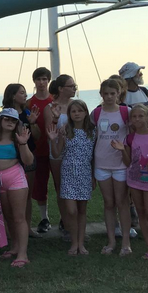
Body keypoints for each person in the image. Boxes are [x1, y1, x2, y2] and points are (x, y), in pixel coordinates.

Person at [112, 105, 148, 262]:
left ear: (147, 117)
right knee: (141, 215)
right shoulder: (130, 138)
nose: (137, 119)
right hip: (134, 180)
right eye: (134, 116)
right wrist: (122, 150)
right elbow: (128, 162)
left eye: (141, 116)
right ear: (130, 120)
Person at [0, 108, 34, 267]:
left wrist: (23, 143)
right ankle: (15, 246)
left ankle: (23, 254)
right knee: (8, 216)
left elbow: (28, 161)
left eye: (13, 120)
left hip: (15, 178)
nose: (10, 122)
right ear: (0, 120)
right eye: (7, 119)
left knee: (19, 217)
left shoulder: (18, 138)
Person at [48, 100, 96, 256]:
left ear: (85, 112)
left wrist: (93, 176)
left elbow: (94, 156)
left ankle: (80, 244)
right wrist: (52, 139)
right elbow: (56, 153)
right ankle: (74, 242)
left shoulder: (92, 131)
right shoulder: (65, 130)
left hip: (85, 173)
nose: (77, 114)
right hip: (68, 174)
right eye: (73, 111)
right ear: (69, 114)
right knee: (71, 210)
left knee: (82, 210)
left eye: (80, 111)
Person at [92, 80, 133, 256]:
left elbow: (140, 126)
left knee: (122, 202)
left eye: (112, 93)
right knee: (108, 203)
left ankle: (126, 241)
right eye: (106, 93)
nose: (109, 97)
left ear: (118, 94)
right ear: (101, 94)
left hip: (120, 163)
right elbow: (89, 134)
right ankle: (111, 241)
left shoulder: (126, 112)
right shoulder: (96, 112)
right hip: (102, 162)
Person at [2, 83, 40, 236]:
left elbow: (37, 136)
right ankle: (10, 229)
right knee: (7, 197)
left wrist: (32, 122)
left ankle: (27, 227)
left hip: (27, 156)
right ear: (13, 95)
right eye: (22, 92)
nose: (25, 95)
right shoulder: (4, 115)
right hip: (9, 159)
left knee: (27, 195)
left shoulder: (27, 113)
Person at [43, 74, 77, 240]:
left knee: (75, 187)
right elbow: (49, 130)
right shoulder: (50, 107)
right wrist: (58, 122)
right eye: (71, 86)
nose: (74, 88)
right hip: (57, 149)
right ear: (61, 88)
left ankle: (76, 223)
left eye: (74, 85)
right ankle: (66, 223)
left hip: (75, 150)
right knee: (61, 187)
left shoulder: (76, 105)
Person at [26, 67, 54, 233]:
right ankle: (44, 218)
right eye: (38, 79)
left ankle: (65, 219)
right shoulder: (29, 103)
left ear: (48, 81)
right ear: (34, 81)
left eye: (44, 79)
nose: (41, 82)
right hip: (38, 150)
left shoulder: (54, 101)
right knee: (40, 186)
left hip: (56, 150)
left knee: (61, 185)